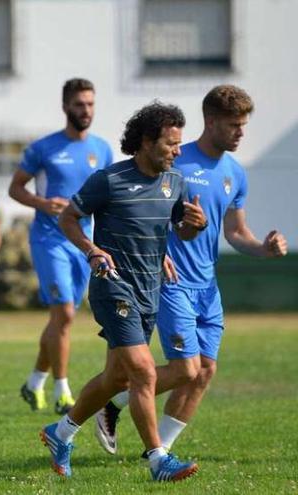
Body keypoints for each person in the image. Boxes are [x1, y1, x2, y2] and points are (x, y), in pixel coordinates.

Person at [95, 85, 288, 454]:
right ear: (211, 121)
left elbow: (235, 232)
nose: (241, 132)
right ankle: (118, 403)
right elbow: (141, 211)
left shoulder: (236, 174)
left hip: (207, 285)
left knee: (205, 371)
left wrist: (263, 248)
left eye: (244, 125)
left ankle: (156, 447)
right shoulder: (175, 160)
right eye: (234, 125)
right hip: (170, 281)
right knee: (185, 368)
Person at [41, 101, 206, 481]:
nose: (178, 151)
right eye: (171, 144)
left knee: (116, 379)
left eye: (179, 144)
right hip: (112, 287)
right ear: (146, 142)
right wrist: (92, 250)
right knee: (144, 373)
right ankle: (158, 460)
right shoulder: (109, 180)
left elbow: (180, 230)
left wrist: (195, 224)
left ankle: (61, 432)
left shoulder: (174, 183)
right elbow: (68, 218)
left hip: (150, 290)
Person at [9, 78, 113, 414]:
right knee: (65, 312)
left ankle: (35, 381)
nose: (86, 111)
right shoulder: (44, 148)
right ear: (66, 106)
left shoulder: (103, 149)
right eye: (80, 104)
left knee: (61, 319)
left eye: (91, 104)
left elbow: (109, 197)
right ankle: (63, 391)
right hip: (49, 239)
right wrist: (42, 203)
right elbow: (15, 189)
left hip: (82, 242)